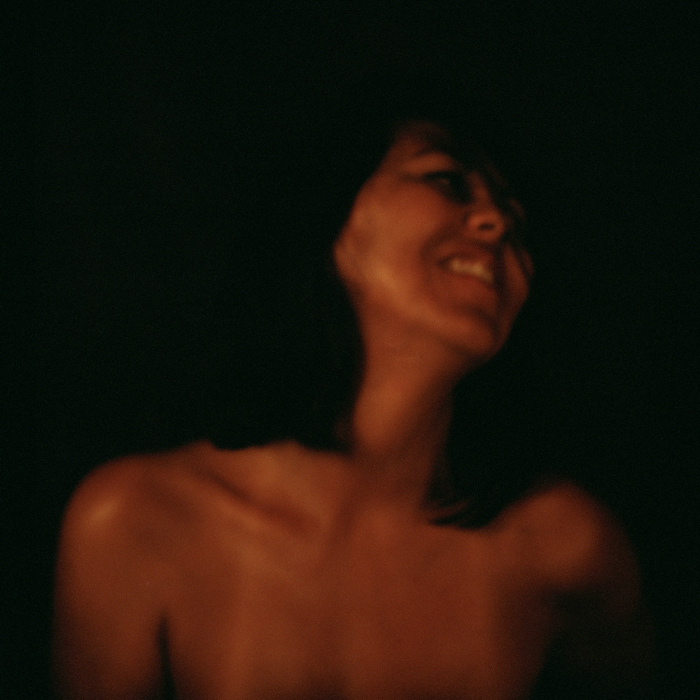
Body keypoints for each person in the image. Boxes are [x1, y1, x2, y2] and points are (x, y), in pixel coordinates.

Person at [53, 116, 652, 699]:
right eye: (446, 181)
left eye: (516, 224)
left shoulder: (562, 547)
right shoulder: (134, 522)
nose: (497, 223)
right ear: (329, 217)